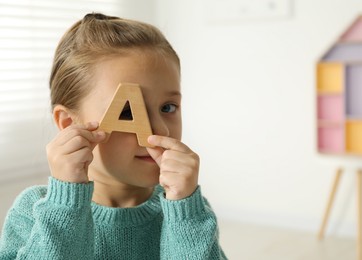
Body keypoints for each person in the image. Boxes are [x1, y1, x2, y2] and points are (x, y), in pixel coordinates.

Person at [0, 13, 227, 259]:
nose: (161, 130)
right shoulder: (33, 210)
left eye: (168, 108)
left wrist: (185, 213)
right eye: (128, 111)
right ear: (69, 125)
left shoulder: (189, 209)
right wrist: (64, 205)